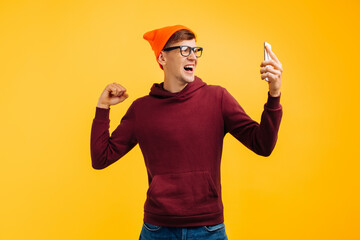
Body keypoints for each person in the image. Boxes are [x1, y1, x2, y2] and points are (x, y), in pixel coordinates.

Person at [90, 25, 283, 240]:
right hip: (157, 230)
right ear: (162, 58)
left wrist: (274, 93)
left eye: (195, 50)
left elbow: (262, 145)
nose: (193, 57)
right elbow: (101, 158)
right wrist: (102, 107)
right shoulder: (141, 109)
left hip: (209, 229)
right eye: (184, 50)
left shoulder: (217, 98)